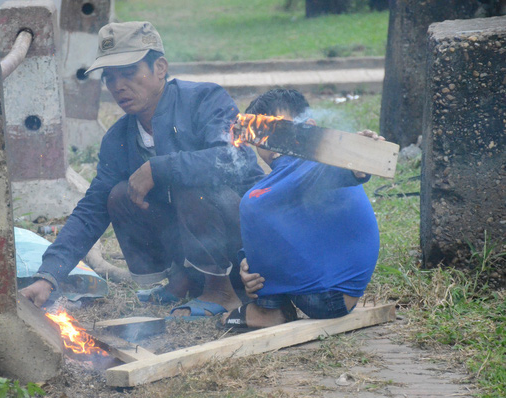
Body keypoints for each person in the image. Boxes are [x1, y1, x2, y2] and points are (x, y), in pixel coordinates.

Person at [21, 21, 264, 317]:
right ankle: (183, 278)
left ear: (160, 67)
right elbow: (91, 210)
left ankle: (220, 291)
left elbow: (234, 160)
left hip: (247, 246)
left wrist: (159, 167)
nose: (118, 86)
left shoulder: (205, 99)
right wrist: (49, 275)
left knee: (188, 180)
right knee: (118, 195)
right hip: (193, 244)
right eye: (109, 77)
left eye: (129, 73)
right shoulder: (118, 138)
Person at [221, 89, 381, 331]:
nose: (270, 142)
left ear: (309, 128)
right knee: (256, 204)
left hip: (330, 296)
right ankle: (270, 303)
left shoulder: (319, 162)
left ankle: (269, 310)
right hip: (325, 290)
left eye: (279, 130)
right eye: (261, 134)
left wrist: (359, 154)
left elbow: (348, 170)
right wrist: (247, 261)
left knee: (254, 201)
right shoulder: (289, 179)